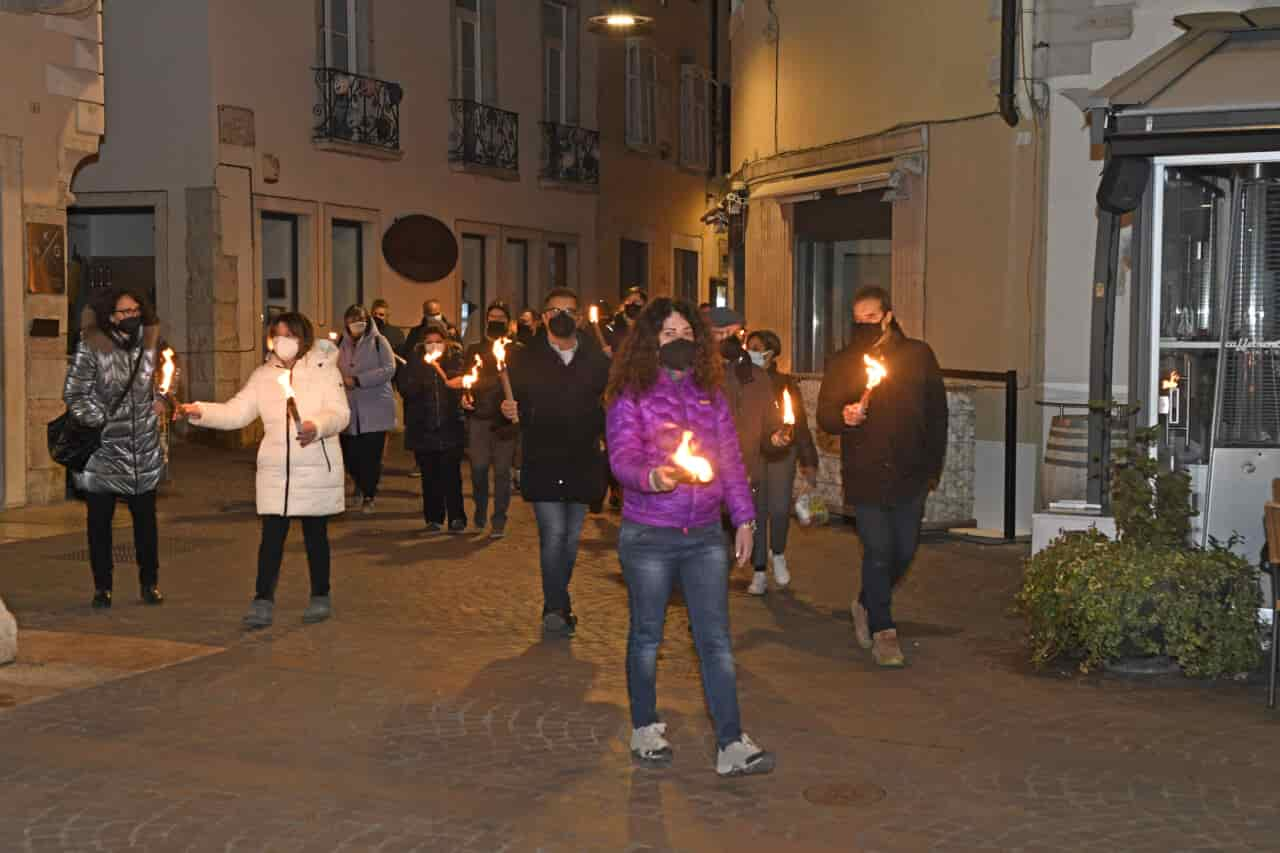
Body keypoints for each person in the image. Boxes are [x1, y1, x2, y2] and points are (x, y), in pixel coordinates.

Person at [606, 297, 774, 778]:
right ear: (649, 342)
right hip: (649, 535)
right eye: (667, 334)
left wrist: (744, 518)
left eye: (685, 334)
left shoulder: (711, 394)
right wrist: (651, 477)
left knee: (716, 640)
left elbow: (731, 462)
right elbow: (622, 457)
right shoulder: (630, 394)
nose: (679, 342)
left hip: (703, 536)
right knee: (646, 635)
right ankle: (645, 728)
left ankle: (731, 742)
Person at [179, 312, 350, 628]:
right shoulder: (263, 375)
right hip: (277, 474)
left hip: (314, 467)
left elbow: (340, 414)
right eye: (277, 335)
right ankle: (262, 599)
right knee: (271, 538)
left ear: (303, 337)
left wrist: (318, 426)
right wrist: (200, 411)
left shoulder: (325, 370)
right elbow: (236, 412)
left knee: (316, 536)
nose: (282, 341)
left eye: (289, 334)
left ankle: (320, 594)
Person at [816, 286, 947, 668]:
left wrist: (932, 466)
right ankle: (883, 630)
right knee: (877, 552)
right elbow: (825, 413)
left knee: (903, 551)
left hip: (910, 471)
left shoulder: (918, 356)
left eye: (871, 319)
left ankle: (865, 601)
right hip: (866, 472)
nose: (865, 326)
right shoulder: (844, 362)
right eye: (858, 321)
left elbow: (937, 414)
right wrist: (844, 416)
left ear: (888, 315)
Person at [503, 288, 610, 636]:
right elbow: (502, 397)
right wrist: (505, 408)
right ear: (544, 316)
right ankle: (555, 607)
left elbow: (612, 404)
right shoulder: (524, 358)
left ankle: (558, 601)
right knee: (554, 534)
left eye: (569, 311)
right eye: (555, 311)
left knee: (570, 539)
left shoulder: (597, 359)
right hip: (543, 456)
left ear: (579, 318)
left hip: (582, 459)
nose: (561, 316)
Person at [63, 286, 166, 609]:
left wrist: (162, 399)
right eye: (125, 312)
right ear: (110, 316)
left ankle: (150, 583)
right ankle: (102, 587)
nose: (132, 317)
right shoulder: (92, 347)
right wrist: (100, 419)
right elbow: (75, 393)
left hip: (142, 450)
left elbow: (165, 379)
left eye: (136, 311)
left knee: (146, 524)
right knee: (99, 524)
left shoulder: (150, 346)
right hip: (104, 452)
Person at [707, 307, 792, 595]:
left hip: (743, 483)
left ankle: (707, 628)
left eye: (734, 333)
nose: (727, 339)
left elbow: (769, 427)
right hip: (703, 487)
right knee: (709, 565)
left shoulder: (757, 376)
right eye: (720, 333)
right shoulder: (697, 374)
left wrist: (776, 438)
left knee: (722, 564)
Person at [745, 330, 820, 594]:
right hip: (752, 454)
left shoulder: (785, 383)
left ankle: (778, 553)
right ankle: (759, 570)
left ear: (771, 353)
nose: (751, 351)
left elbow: (799, 424)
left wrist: (808, 461)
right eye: (749, 346)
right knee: (756, 511)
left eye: (757, 348)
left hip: (782, 453)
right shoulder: (741, 380)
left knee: (778, 509)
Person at [400, 324, 468, 534]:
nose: (434, 345)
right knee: (430, 477)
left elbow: (466, 386)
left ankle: (457, 517)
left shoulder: (455, 360)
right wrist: (421, 374)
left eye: (438, 341)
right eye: (429, 342)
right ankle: (434, 518)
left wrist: (461, 389)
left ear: (446, 342)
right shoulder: (414, 363)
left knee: (451, 475)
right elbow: (406, 390)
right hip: (424, 428)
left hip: (450, 425)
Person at [462, 301, 522, 538]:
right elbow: (467, 379)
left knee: (501, 473)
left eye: (501, 317)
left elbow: (520, 385)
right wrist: (464, 398)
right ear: (486, 320)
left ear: (508, 322)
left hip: (504, 422)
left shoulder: (516, 350)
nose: (496, 320)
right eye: (492, 316)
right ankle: (480, 512)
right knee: (478, 469)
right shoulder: (475, 349)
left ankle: (499, 520)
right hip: (479, 418)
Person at [336, 305, 396, 514]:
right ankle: (359, 484)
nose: (357, 323)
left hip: (375, 407)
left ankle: (369, 494)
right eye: (352, 319)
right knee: (350, 454)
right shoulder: (340, 343)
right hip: (349, 408)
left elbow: (389, 369)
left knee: (371, 455)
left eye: (360, 319)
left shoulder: (380, 342)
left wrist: (359, 380)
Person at [606, 286, 648, 352]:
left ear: (644, 305)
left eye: (636, 301)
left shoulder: (649, 325)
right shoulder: (613, 325)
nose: (632, 304)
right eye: (629, 300)